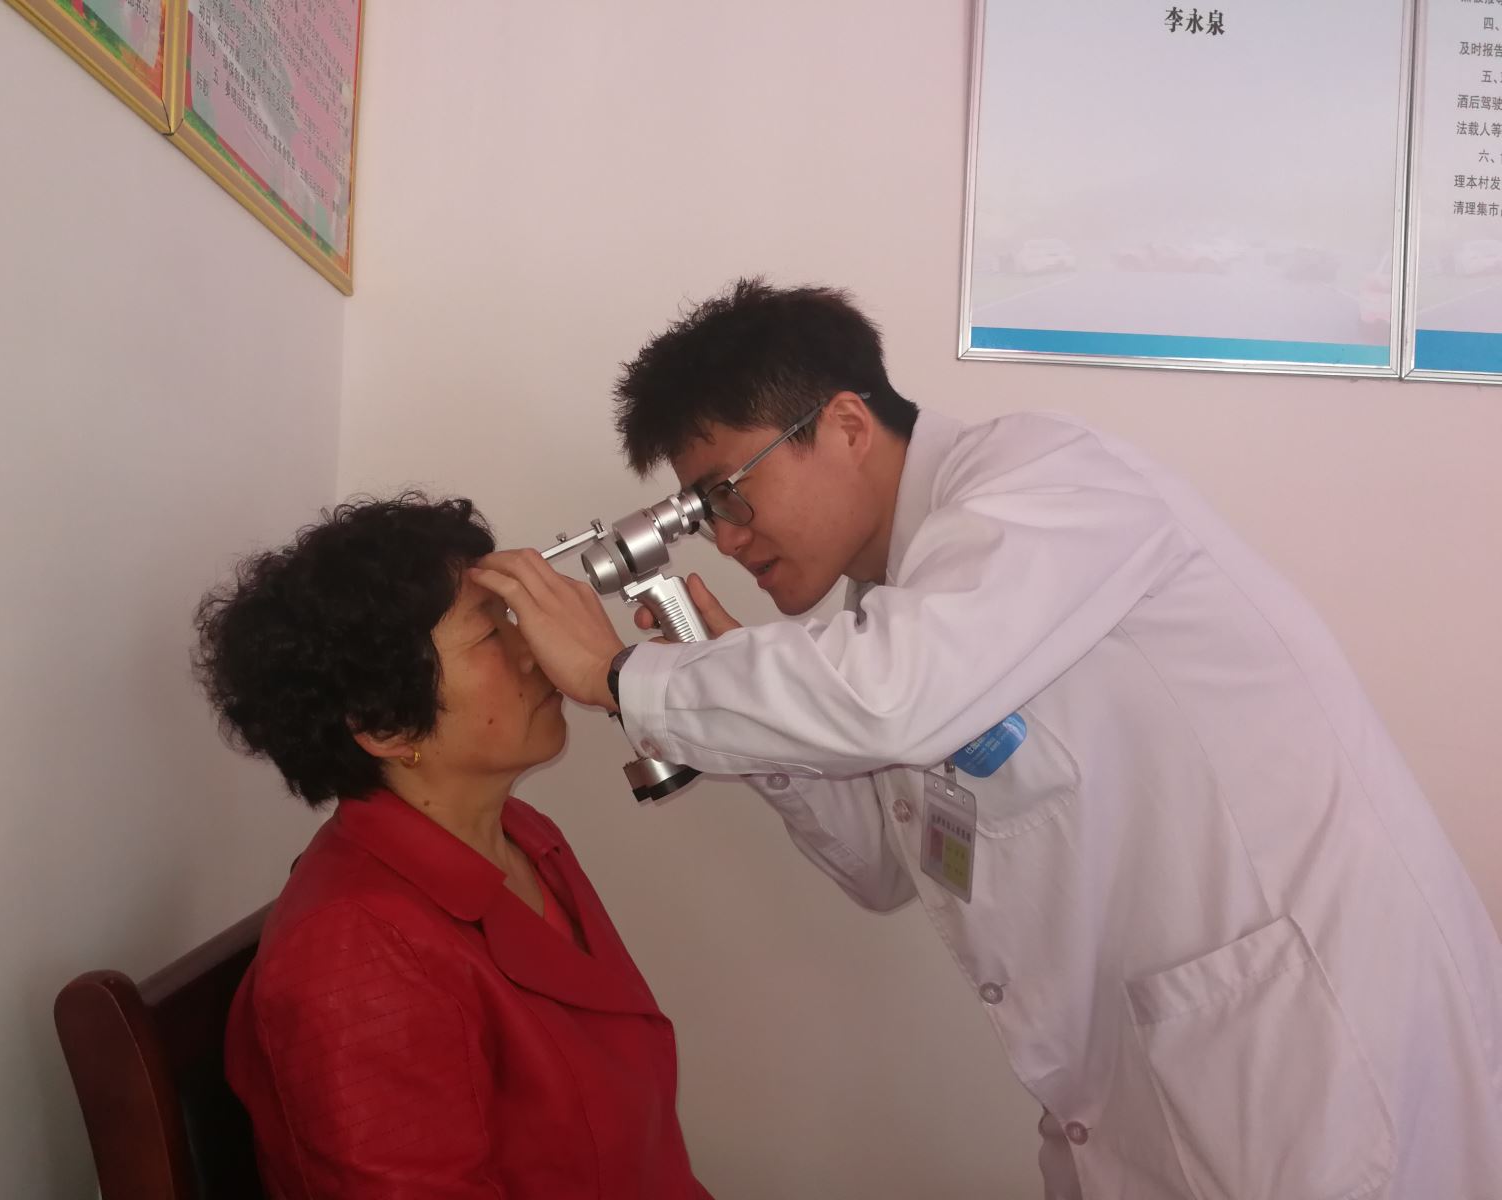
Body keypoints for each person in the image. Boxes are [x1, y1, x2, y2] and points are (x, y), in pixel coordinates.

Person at [470, 279, 1502, 1200]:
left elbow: (894, 698)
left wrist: (621, 677)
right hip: (1149, 1090)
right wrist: (746, 725)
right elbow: (883, 865)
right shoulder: (900, 613)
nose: (729, 538)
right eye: (703, 515)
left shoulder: (1051, 483)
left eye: (729, 494)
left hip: (1311, 1060)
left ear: (845, 425)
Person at [194, 493, 711, 1200]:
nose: (536, 650)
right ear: (385, 726)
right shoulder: (350, 957)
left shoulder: (525, 838)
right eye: (492, 634)